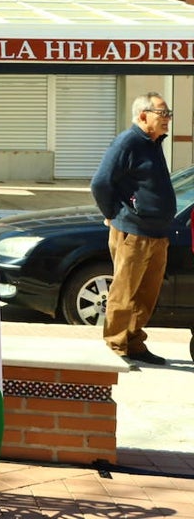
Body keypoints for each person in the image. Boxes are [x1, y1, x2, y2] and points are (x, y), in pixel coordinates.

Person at [90, 92, 177, 366]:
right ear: (143, 115)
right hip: (133, 233)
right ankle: (117, 347)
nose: (168, 120)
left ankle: (135, 343)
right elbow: (100, 183)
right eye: (163, 114)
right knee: (125, 292)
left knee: (145, 294)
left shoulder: (153, 143)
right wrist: (113, 214)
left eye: (168, 114)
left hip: (157, 234)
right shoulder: (127, 142)